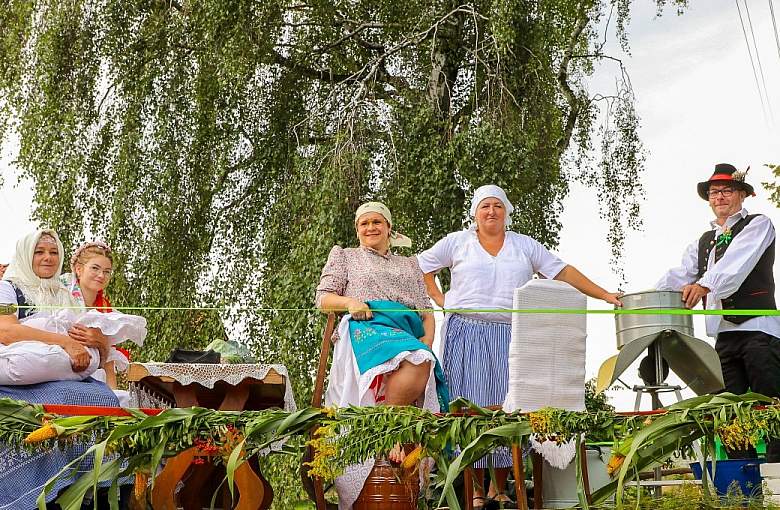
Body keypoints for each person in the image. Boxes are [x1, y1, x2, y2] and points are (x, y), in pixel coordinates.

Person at [418, 184, 622, 508]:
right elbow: (421, 266)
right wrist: (441, 299)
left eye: (498, 206)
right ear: (475, 212)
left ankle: (501, 488)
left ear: (507, 212)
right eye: (485, 206)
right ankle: (475, 491)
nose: (491, 212)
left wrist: (605, 295)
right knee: (470, 409)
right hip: (465, 333)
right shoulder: (458, 242)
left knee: (507, 408)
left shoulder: (523, 245)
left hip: (512, 334)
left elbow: (562, 271)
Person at [316, 201, 448, 510]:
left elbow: (426, 313)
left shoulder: (410, 264)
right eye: (364, 224)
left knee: (422, 360)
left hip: (406, 330)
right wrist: (350, 303)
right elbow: (323, 299)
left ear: (389, 228)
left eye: (377, 222)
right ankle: (391, 436)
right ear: (357, 230)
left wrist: (427, 342)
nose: (371, 228)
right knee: (414, 357)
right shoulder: (345, 256)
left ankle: (388, 432)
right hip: (368, 325)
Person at [656, 163, 779, 462]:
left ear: (742, 195)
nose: (719, 197)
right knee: (728, 411)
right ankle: (743, 484)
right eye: (714, 192)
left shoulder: (758, 225)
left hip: (759, 329)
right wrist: (645, 298)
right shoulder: (703, 241)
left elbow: (736, 265)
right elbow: (679, 275)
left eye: (726, 190)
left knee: (771, 404)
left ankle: (778, 477)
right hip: (724, 335)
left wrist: (704, 284)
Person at [0, 230, 124, 509]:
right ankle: (40, 493)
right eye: (39, 251)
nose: (47, 258)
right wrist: (65, 343)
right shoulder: (7, 289)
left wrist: (99, 343)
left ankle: (90, 490)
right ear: (25, 253)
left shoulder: (66, 293)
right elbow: (5, 331)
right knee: (65, 399)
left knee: (105, 398)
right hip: (18, 378)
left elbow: (90, 342)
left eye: (53, 252)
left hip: (62, 373)